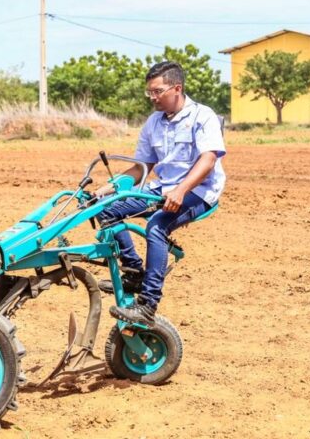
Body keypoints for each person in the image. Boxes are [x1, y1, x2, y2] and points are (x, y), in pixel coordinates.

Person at [94, 61, 226, 327]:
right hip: (163, 186)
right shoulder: (153, 122)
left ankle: (148, 303)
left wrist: (181, 190)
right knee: (106, 209)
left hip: (198, 190)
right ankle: (133, 272)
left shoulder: (203, 116)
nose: (153, 97)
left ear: (177, 88)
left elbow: (208, 160)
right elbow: (141, 168)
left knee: (157, 226)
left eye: (157, 91)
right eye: (150, 92)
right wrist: (110, 188)